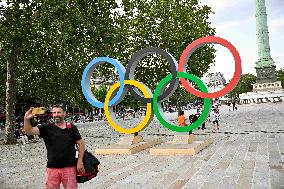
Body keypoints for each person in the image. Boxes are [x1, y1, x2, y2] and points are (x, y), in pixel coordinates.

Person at [23, 105, 85, 189]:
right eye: (54, 112)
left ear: (64, 114)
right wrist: (26, 119)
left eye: (59, 112)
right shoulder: (46, 127)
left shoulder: (71, 127)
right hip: (52, 168)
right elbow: (29, 131)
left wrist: (80, 161)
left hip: (69, 168)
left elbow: (81, 144)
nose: (56, 114)